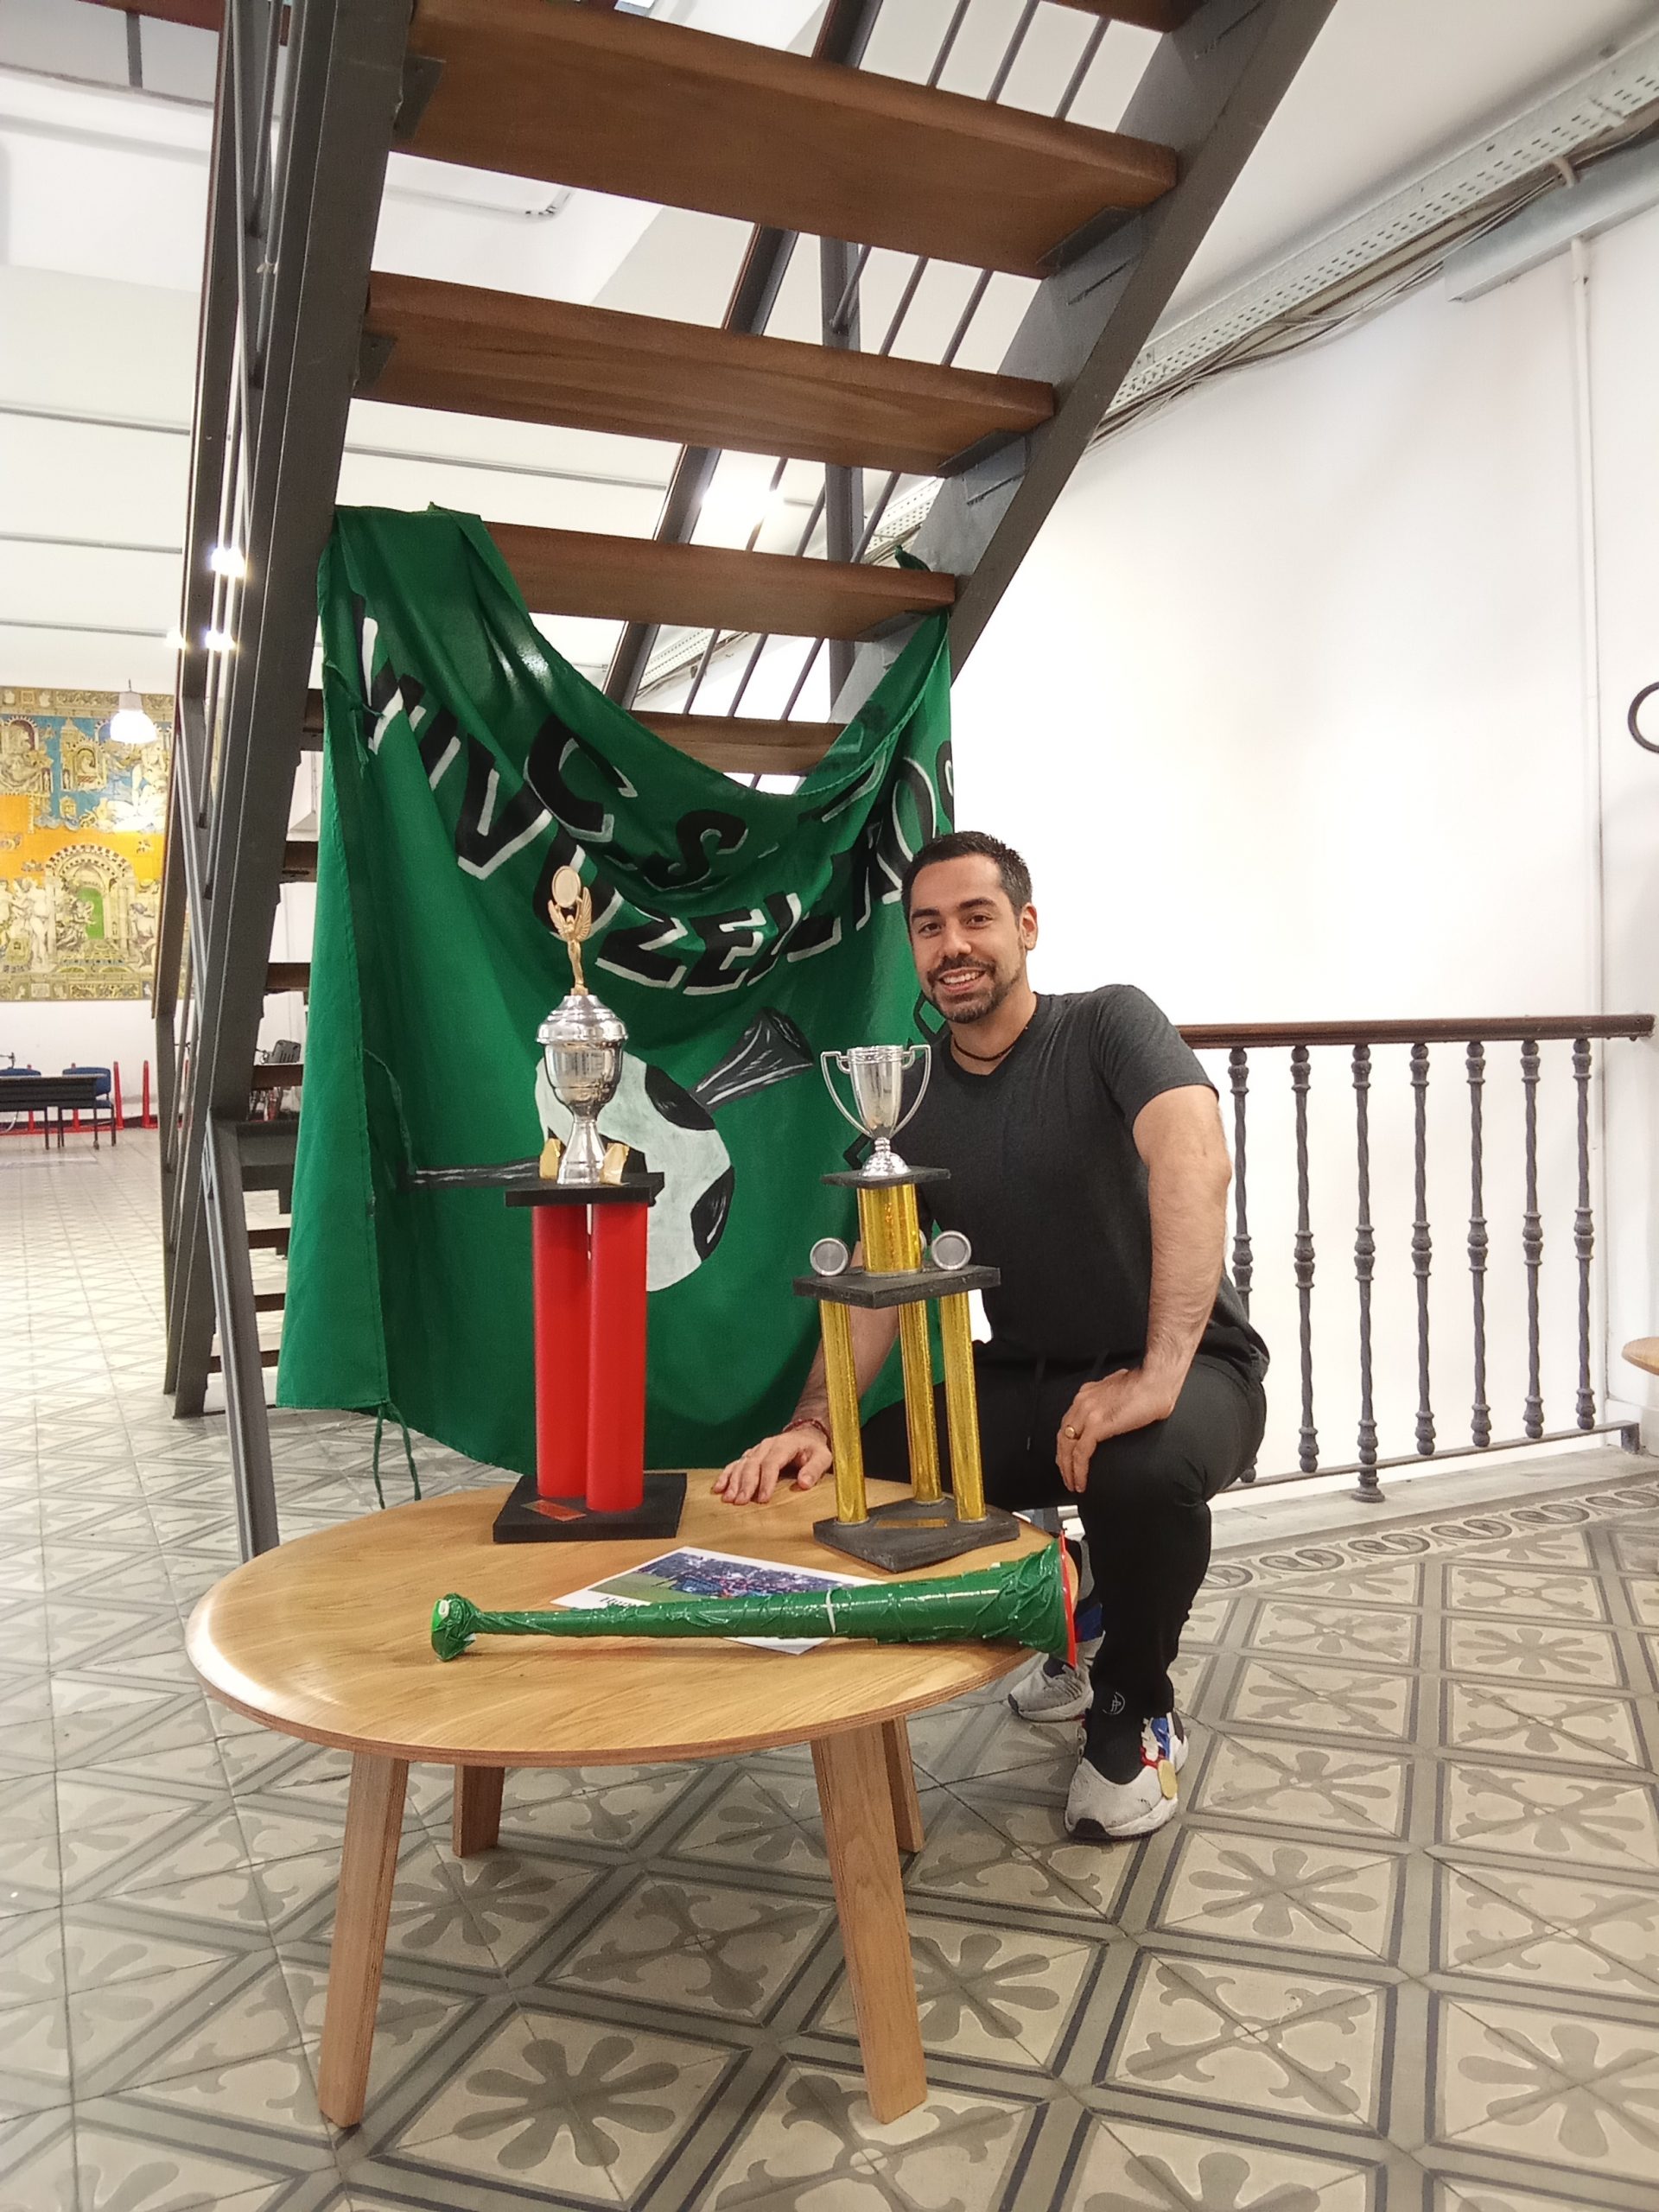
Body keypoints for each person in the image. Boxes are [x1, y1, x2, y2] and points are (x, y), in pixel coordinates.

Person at [715, 830, 1267, 1842]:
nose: (954, 944)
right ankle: (1079, 1593)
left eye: (977, 917)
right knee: (869, 1468)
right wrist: (818, 1424)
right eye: (930, 926)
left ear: (1026, 926)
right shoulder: (911, 1093)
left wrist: (1156, 1374)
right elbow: (877, 1277)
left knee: (1140, 1472)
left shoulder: (1109, 1023)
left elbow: (1195, 1156)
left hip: (1193, 1370)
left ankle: (1135, 1705)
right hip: (1028, 1374)